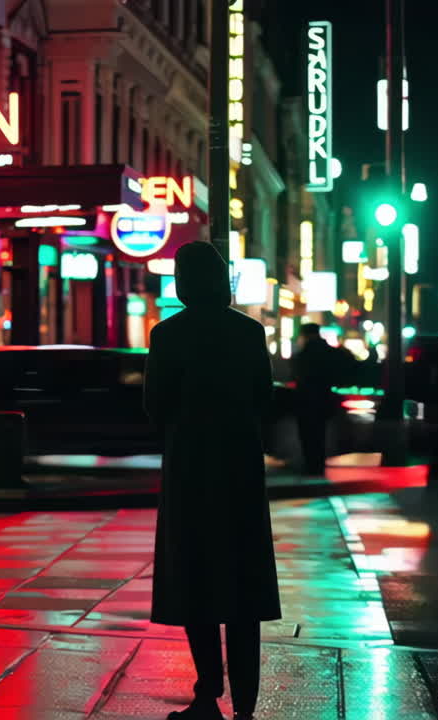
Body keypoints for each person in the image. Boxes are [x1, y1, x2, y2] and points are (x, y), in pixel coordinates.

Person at [143, 241, 280, 720]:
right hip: (239, 468)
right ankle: (246, 701)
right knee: (243, 587)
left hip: (190, 469)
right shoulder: (249, 332)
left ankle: (207, 690)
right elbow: (265, 398)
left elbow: (154, 407)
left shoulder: (168, 335)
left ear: (184, 282)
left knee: (194, 580)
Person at [292, 323, 339, 475]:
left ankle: (311, 465)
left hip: (306, 400)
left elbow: (296, 375)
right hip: (324, 399)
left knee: (308, 435)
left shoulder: (303, 355)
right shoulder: (330, 352)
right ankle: (318, 465)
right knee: (320, 434)